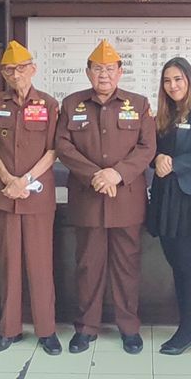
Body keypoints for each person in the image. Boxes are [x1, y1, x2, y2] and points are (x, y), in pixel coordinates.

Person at [55, 39, 157, 354]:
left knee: (127, 267)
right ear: (87, 72)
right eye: (97, 69)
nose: (104, 75)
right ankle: (86, 328)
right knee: (88, 266)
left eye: (109, 69)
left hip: (126, 199)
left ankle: (130, 328)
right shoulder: (72, 104)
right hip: (88, 200)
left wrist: (116, 173)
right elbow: (63, 145)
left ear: (120, 72)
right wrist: (95, 175)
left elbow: (147, 147)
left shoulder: (138, 105)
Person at [0, 41, 61, 355]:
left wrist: (25, 181)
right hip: (4, 194)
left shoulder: (50, 104)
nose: (17, 74)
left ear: (34, 69)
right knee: (9, 264)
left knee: (41, 265)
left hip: (37, 196)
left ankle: (47, 331)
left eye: (22, 68)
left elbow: (54, 150)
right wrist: (8, 179)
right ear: (3, 72)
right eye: (10, 69)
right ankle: (9, 329)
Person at [147, 56, 191, 355]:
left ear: (188, 80)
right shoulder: (164, 115)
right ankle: (186, 326)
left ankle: (190, 330)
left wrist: (174, 163)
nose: (173, 85)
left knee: (190, 267)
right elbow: (150, 152)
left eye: (178, 79)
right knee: (176, 263)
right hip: (165, 198)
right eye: (167, 80)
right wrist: (158, 159)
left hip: (190, 201)